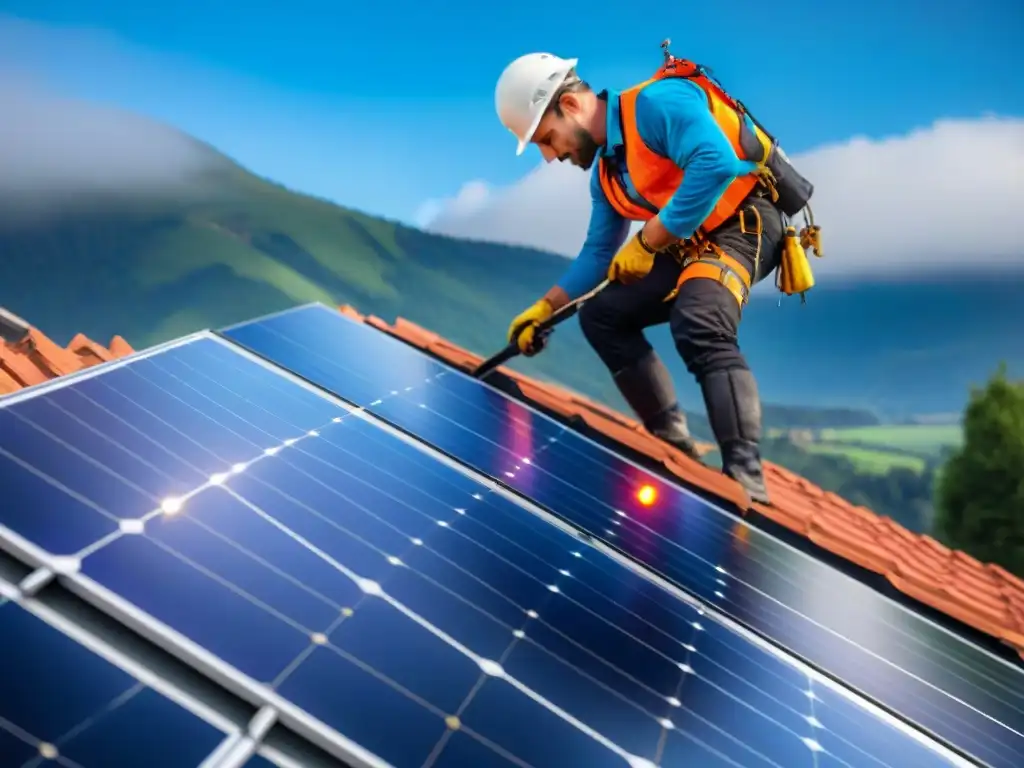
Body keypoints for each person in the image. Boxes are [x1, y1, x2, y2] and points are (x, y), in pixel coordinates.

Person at [494, 44, 819, 505]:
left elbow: (716, 164)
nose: (550, 155)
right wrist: (546, 309)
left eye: (547, 138)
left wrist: (647, 242)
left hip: (745, 221)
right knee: (603, 314)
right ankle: (673, 442)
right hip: (687, 241)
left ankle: (746, 480)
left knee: (700, 318)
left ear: (569, 105)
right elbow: (598, 254)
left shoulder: (656, 105)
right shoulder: (606, 174)